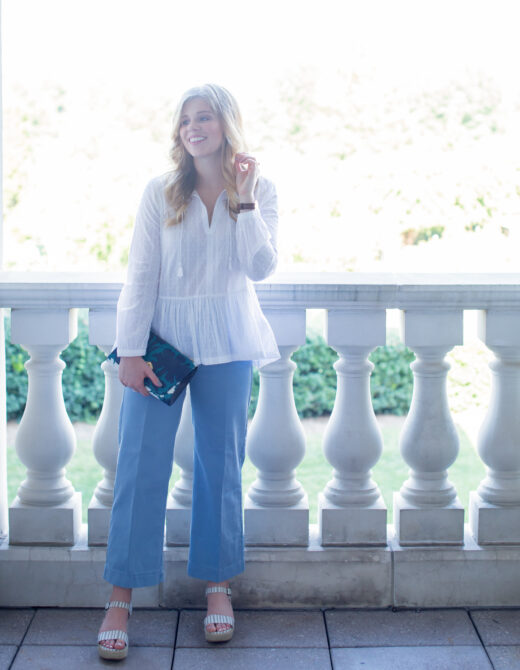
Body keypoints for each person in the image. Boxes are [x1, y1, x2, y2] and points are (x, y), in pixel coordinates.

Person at [97, 83, 280, 660]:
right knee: (137, 466)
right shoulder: (160, 191)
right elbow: (140, 273)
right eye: (185, 120)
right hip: (162, 348)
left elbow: (261, 267)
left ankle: (218, 588)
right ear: (178, 133)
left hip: (229, 341)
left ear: (226, 123)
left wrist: (245, 198)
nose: (194, 127)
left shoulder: (258, 188)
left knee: (220, 467)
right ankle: (119, 598)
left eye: (204, 117)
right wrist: (130, 350)